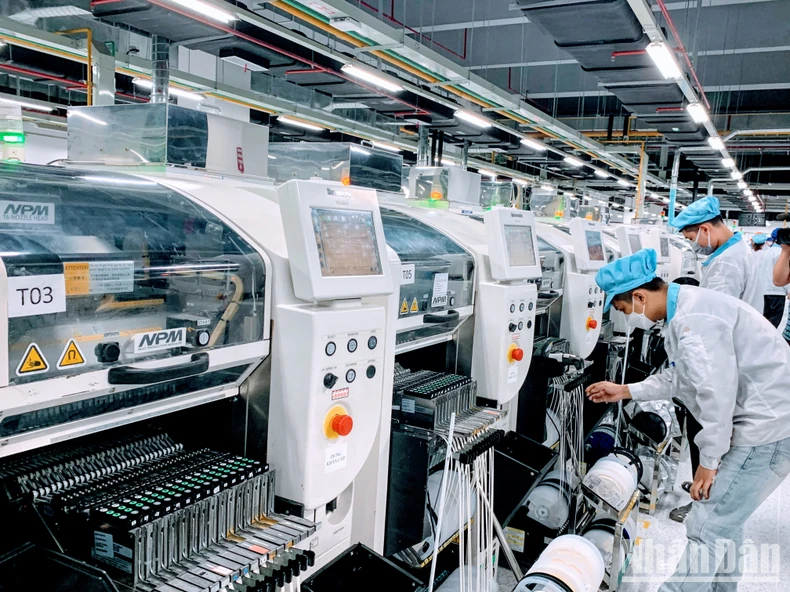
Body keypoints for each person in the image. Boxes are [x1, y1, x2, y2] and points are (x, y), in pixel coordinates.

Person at [586, 249, 790, 591]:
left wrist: (708, 462)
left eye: (623, 310)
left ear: (639, 296)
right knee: (725, 522)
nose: (627, 318)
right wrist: (625, 391)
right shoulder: (687, 308)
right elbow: (682, 377)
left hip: (766, 428)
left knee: (707, 526)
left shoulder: (692, 320)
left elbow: (716, 395)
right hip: (769, 420)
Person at [670, 196, 763, 314]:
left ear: (705, 229)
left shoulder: (727, 261)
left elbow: (717, 314)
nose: (694, 245)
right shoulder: (738, 250)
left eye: (691, 239)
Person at [752, 233, 787, 327]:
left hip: (763, 290)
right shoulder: (782, 254)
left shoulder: (766, 252)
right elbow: (783, 273)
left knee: (764, 320)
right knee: (774, 322)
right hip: (777, 291)